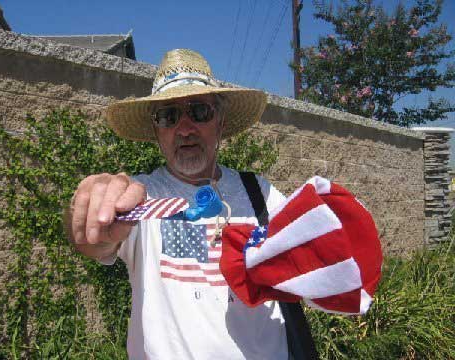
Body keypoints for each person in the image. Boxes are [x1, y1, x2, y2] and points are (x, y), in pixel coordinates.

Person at [65, 49, 376, 359]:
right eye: (168, 116)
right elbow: (94, 242)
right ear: (156, 131)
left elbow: (308, 259)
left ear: (221, 122)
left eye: (199, 111)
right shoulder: (141, 198)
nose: (184, 128)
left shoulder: (260, 193)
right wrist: (91, 221)